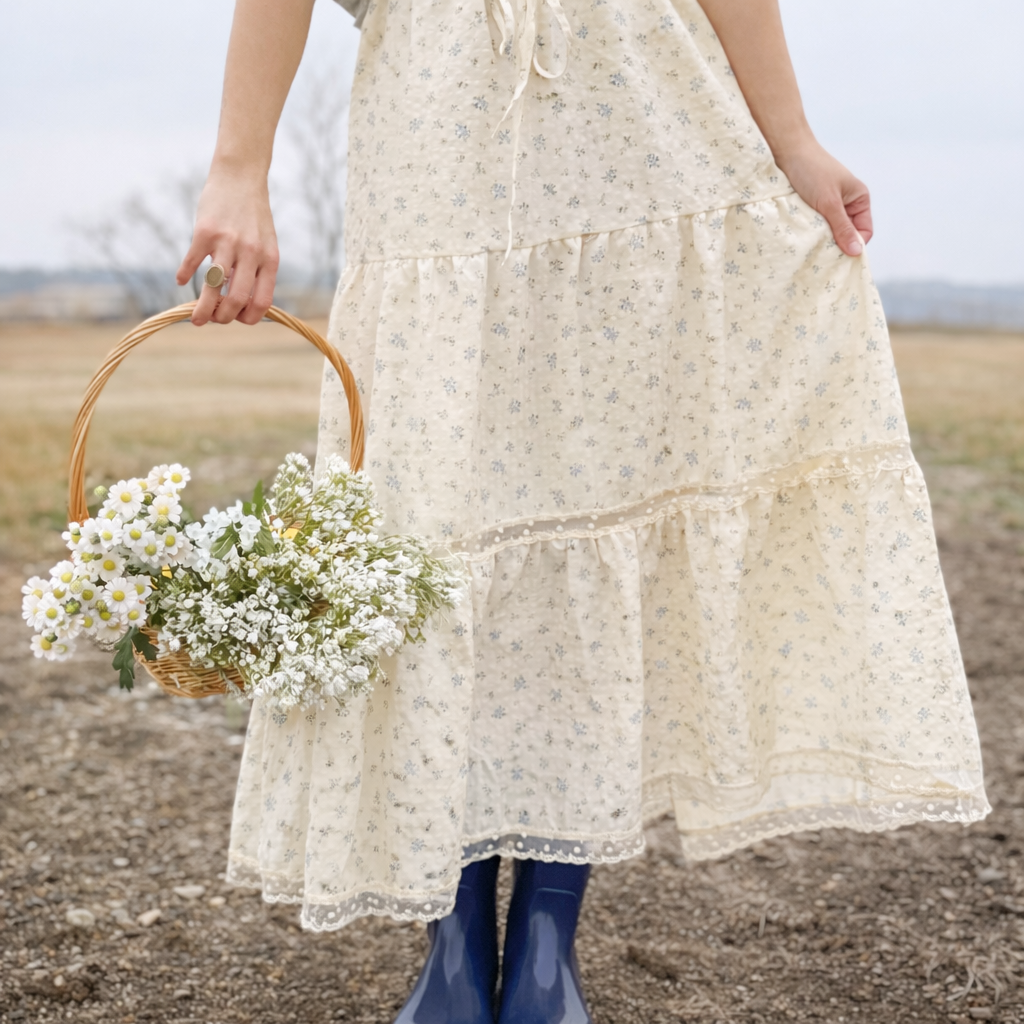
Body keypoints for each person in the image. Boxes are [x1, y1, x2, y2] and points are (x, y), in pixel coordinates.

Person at [177, 0, 990, 1020]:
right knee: (433, 535)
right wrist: (238, 166)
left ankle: (547, 944)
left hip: (647, 127)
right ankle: (456, 946)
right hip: (438, 142)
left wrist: (793, 142)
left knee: (602, 505)